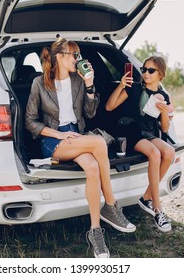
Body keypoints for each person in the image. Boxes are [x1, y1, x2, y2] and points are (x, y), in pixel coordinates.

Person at [25, 38, 135, 258]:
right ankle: (111, 205)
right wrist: (59, 133)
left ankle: (95, 232)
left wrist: (89, 86)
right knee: (98, 142)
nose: (78, 59)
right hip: (52, 140)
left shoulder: (77, 81)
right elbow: (30, 121)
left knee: (93, 167)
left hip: (76, 135)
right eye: (74, 55)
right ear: (60, 57)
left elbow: (91, 113)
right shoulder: (39, 83)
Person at [105, 56, 175, 232]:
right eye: (144, 69)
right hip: (128, 130)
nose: (145, 73)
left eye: (151, 70)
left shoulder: (164, 96)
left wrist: (165, 112)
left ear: (161, 74)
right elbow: (109, 107)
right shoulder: (134, 88)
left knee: (169, 152)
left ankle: (146, 198)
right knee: (154, 153)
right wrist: (121, 85)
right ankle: (158, 208)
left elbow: (165, 128)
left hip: (147, 132)